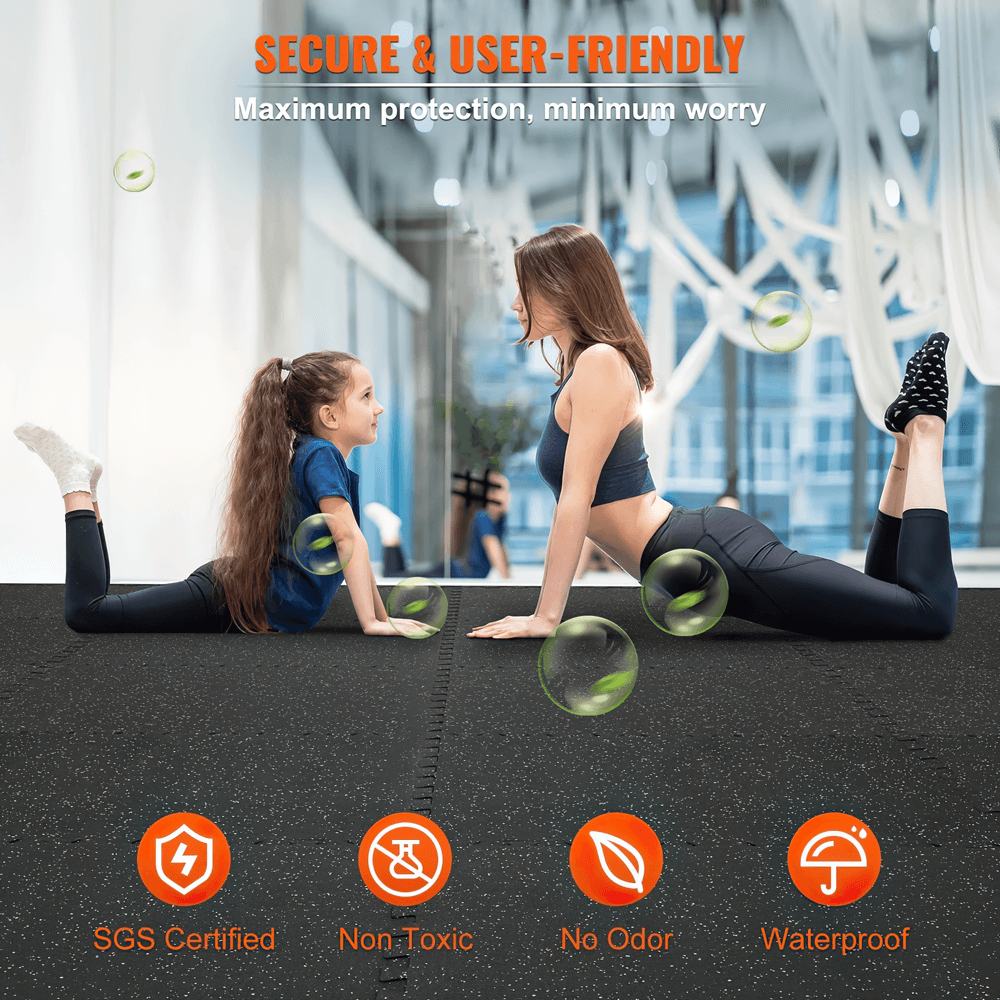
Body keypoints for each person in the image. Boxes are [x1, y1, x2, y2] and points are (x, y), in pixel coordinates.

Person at [469, 224, 956, 641]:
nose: (515, 303)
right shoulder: (582, 368)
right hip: (689, 554)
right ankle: (904, 442)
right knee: (886, 601)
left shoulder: (598, 362)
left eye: (525, 288)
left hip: (707, 551)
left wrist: (546, 617)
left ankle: (927, 429)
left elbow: (576, 498)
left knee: (926, 614)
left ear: (563, 288)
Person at [14, 351, 425, 636]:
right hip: (226, 596)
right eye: (367, 396)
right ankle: (75, 484)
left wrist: (381, 617)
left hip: (235, 593)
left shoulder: (321, 456)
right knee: (89, 613)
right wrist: (373, 623)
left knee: (98, 611)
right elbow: (348, 539)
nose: (379, 408)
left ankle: (85, 485)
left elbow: (351, 542)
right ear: (329, 415)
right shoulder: (320, 455)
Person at [367, 473, 512, 580]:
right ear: (491, 495)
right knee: (393, 577)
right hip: (455, 574)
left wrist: (509, 576)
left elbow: (502, 550)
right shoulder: (483, 517)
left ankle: (392, 531)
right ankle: (390, 531)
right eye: (504, 490)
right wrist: (508, 583)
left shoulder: (497, 520)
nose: (508, 496)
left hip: (458, 574)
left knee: (400, 575)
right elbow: (494, 552)